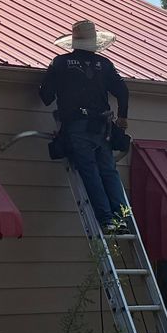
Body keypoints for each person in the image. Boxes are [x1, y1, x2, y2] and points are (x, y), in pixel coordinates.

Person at [39, 20, 134, 233]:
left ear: (74, 41)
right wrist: (122, 118)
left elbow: (45, 96)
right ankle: (121, 219)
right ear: (94, 42)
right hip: (103, 126)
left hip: (77, 126)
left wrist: (49, 79)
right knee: (109, 171)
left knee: (89, 171)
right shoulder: (105, 65)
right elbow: (123, 92)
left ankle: (107, 220)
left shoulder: (61, 63)